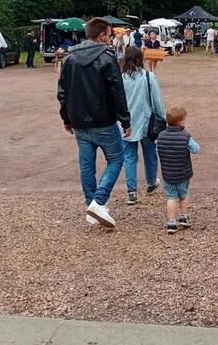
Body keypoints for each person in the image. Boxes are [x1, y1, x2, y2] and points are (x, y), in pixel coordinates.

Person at [57, 17, 131, 228]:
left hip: (79, 121)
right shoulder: (107, 58)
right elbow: (117, 91)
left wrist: (66, 118)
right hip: (103, 120)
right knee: (116, 159)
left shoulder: (69, 58)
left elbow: (62, 92)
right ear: (102, 35)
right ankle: (98, 201)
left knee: (86, 164)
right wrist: (125, 119)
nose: (110, 39)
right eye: (109, 35)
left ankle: (91, 205)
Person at [120, 47, 164, 204]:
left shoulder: (121, 78)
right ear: (141, 58)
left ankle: (132, 191)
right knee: (150, 153)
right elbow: (157, 100)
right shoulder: (148, 76)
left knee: (129, 157)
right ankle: (151, 182)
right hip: (147, 121)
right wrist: (162, 118)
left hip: (126, 124)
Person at [156, 106, 200, 233]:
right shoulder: (185, 136)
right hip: (183, 172)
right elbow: (196, 149)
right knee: (183, 195)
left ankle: (171, 223)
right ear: (181, 122)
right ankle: (183, 217)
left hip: (168, 173)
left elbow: (157, 149)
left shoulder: (161, 135)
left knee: (171, 197)